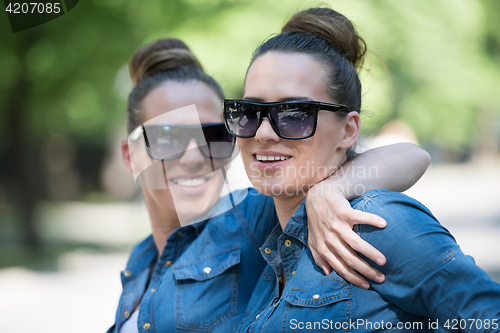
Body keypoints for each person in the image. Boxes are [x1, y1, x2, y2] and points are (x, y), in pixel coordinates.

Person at [107, 38, 430, 333]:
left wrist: (329, 188)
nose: (194, 157)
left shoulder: (258, 219)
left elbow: (411, 156)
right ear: (130, 155)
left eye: (213, 136)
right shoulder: (142, 259)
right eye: (168, 137)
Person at [226, 7, 500, 332]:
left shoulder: (377, 224)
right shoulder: (253, 227)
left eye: (295, 113)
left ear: (348, 130)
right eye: (249, 111)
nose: (263, 133)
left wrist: (331, 188)